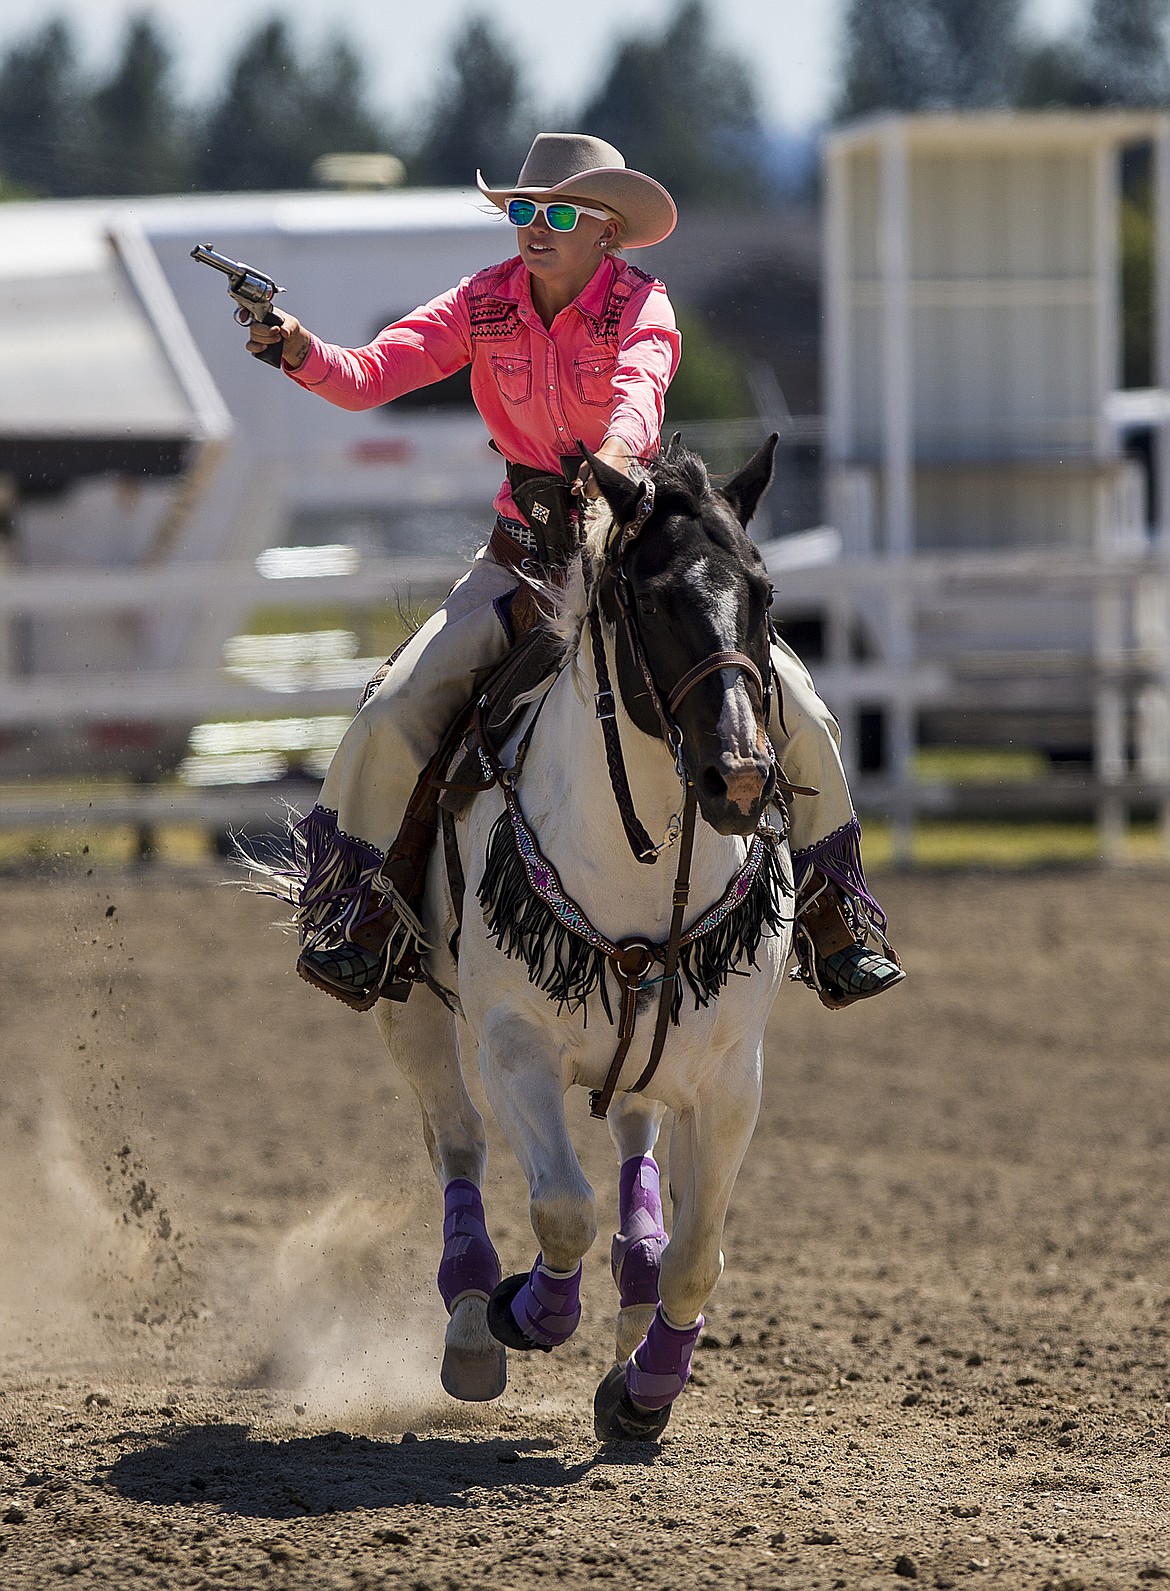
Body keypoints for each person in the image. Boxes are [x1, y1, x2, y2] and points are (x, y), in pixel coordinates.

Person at [245, 132, 904, 1014]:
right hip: (524, 558)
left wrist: (615, 458)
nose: (534, 227)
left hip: (633, 566)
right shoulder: (482, 303)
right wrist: (295, 348)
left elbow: (642, 388)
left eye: (558, 212)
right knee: (394, 708)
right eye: (522, 210)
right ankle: (362, 911)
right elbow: (370, 375)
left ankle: (834, 922)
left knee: (802, 712)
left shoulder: (645, 305)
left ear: (608, 232)